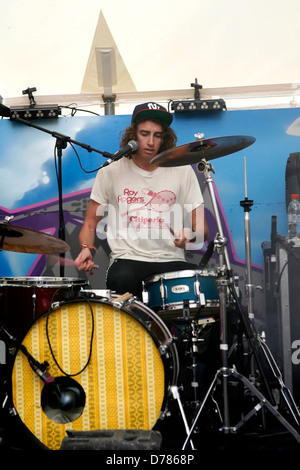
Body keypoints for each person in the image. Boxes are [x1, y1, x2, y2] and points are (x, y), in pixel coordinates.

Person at [75, 102, 209, 298]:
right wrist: (87, 248)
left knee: (203, 286)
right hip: (128, 259)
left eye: (157, 135)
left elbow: (203, 230)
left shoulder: (182, 170)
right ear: (133, 135)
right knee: (121, 279)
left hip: (170, 259)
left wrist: (190, 235)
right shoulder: (111, 171)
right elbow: (89, 224)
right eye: (144, 134)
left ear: (164, 138)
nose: (151, 142)